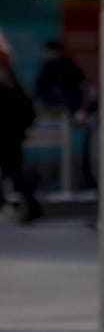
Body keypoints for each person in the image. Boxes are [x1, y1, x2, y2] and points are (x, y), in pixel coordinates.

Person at [0, 31, 42, 223]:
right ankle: (29, 205)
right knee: (13, 169)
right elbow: (27, 110)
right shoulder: (14, 84)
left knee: (12, 170)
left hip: (9, 134)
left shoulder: (9, 87)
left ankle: (28, 205)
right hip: (14, 135)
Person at [35, 40, 87, 116]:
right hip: (71, 105)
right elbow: (82, 83)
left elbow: (40, 86)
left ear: (52, 51)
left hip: (53, 104)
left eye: (46, 51)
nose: (45, 54)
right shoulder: (71, 64)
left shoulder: (49, 66)